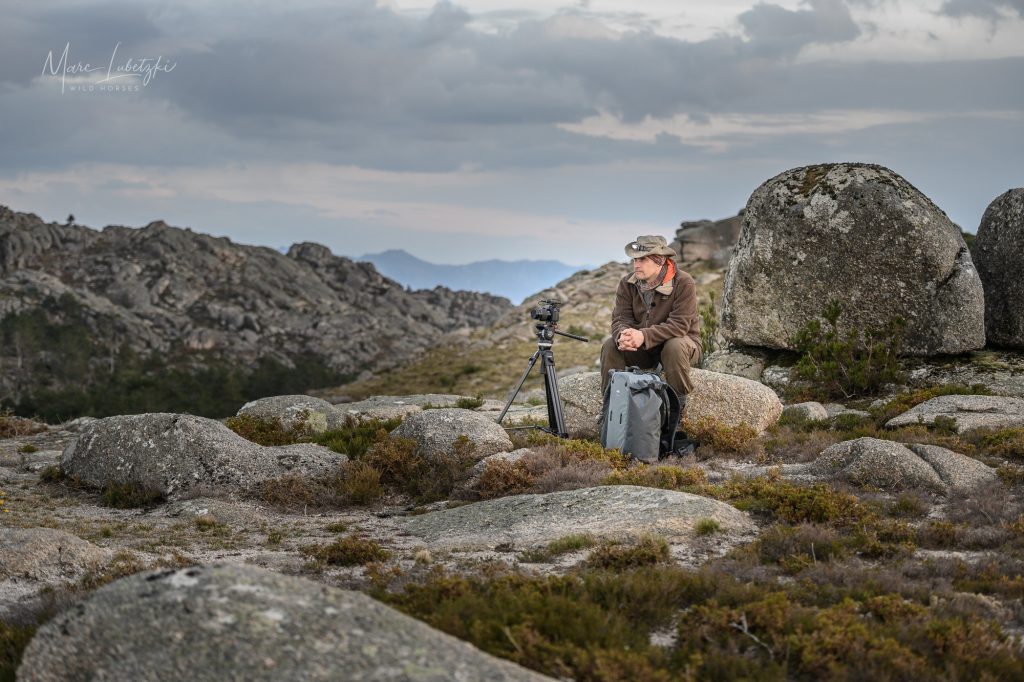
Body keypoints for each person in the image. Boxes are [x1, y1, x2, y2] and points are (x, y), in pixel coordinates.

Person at [600, 235, 701, 411]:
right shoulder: (627, 283)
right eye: (634, 259)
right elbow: (620, 318)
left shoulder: (683, 282)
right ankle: (611, 407)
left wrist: (644, 335)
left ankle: (677, 409)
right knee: (611, 344)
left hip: (682, 345)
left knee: (674, 345)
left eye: (642, 259)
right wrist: (622, 335)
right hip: (644, 349)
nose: (636, 264)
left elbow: (680, 325)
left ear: (659, 260)